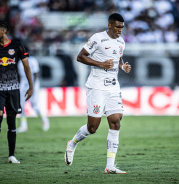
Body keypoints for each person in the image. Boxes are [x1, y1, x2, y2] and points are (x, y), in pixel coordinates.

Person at [64, 13, 131, 174]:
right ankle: (72, 143)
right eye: (117, 27)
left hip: (113, 87)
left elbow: (117, 58)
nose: (120, 30)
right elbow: (80, 57)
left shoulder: (121, 42)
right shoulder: (98, 38)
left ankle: (110, 166)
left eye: (122, 27)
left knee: (116, 122)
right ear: (109, 25)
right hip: (97, 87)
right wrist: (101, 64)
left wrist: (122, 67)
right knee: (92, 128)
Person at [0, 21, 33, 164]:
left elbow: (27, 67)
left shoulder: (17, 46)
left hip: (13, 89)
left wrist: (31, 87)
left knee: (12, 123)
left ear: (3, 32)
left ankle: (11, 155)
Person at [17, 50, 50, 133]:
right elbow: (20, 75)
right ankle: (23, 125)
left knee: (34, 105)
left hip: (33, 85)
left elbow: (35, 73)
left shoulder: (32, 60)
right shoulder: (20, 62)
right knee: (21, 105)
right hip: (23, 85)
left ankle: (44, 119)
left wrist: (32, 86)